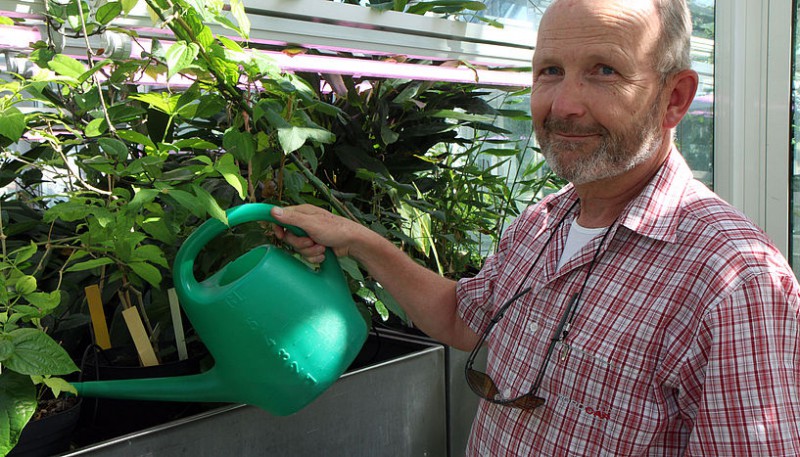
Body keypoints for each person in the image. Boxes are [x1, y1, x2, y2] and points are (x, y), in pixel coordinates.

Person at [271, 0, 800, 454]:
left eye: (604, 70)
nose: (563, 105)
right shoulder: (543, 222)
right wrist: (359, 240)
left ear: (674, 98)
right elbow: (463, 319)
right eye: (549, 70)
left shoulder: (735, 282)